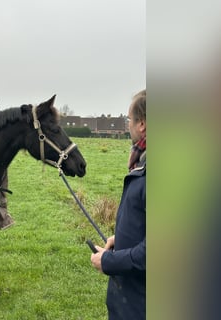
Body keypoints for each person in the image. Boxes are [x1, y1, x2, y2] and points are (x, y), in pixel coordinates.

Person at [90, 89, 146, 320]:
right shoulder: (142, 164)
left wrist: (110, 261)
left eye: (129, 119)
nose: (128, 124)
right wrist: (121, 238)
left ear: (142, 124)